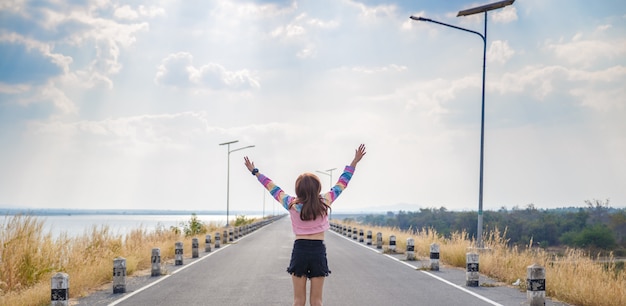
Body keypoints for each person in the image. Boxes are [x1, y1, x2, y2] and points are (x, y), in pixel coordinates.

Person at [244, 144, 366, 306]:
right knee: (317, 301)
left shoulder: (291, 203)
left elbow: (271, 187)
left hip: (300, 250)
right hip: (318, 250)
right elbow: (342, 182)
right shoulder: (325, 201)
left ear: (298, 189)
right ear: (318, 188)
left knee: (298, 300)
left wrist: (255, 172)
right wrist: (354, 162)